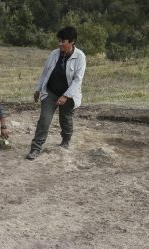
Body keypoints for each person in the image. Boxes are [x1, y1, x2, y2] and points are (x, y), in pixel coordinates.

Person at [27, 26, 87, 160]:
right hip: (51, 92)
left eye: (63, 41)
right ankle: (35, 148)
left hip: (69, 94)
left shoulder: (80, 57)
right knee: (44, 119)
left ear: (72, 42)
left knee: (65, 120)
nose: (60, 44)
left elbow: (78, 80)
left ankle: (65, 140)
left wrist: (66, 95)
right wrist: (38, 89)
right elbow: (45, 73)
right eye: (59, 41)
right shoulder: (54, 54)